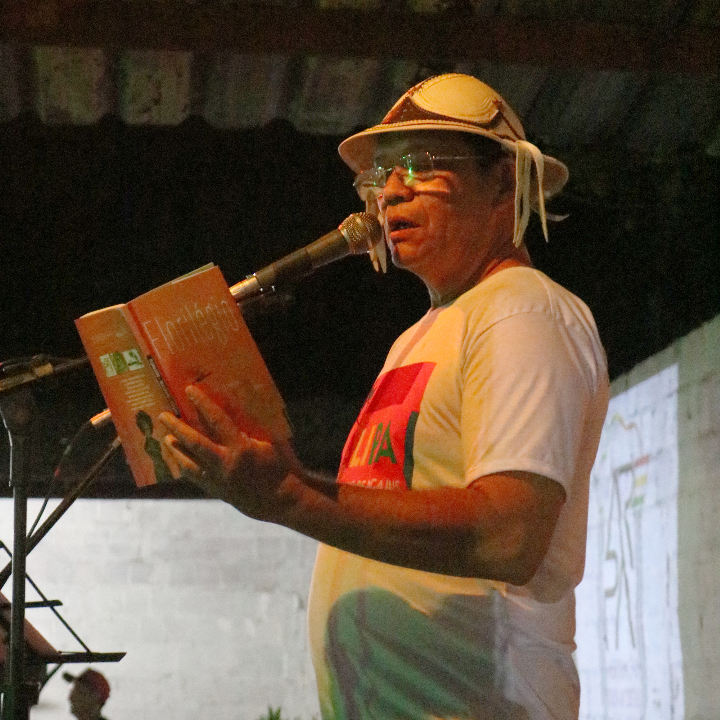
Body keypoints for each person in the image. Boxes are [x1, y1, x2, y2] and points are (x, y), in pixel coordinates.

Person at [160, 73, 610, 720]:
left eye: (422, 164)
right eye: (381, 173)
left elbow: (508, 534)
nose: (392, 190)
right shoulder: (422, 335)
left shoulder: (521, 312)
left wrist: (290, 495)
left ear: (504, 181)